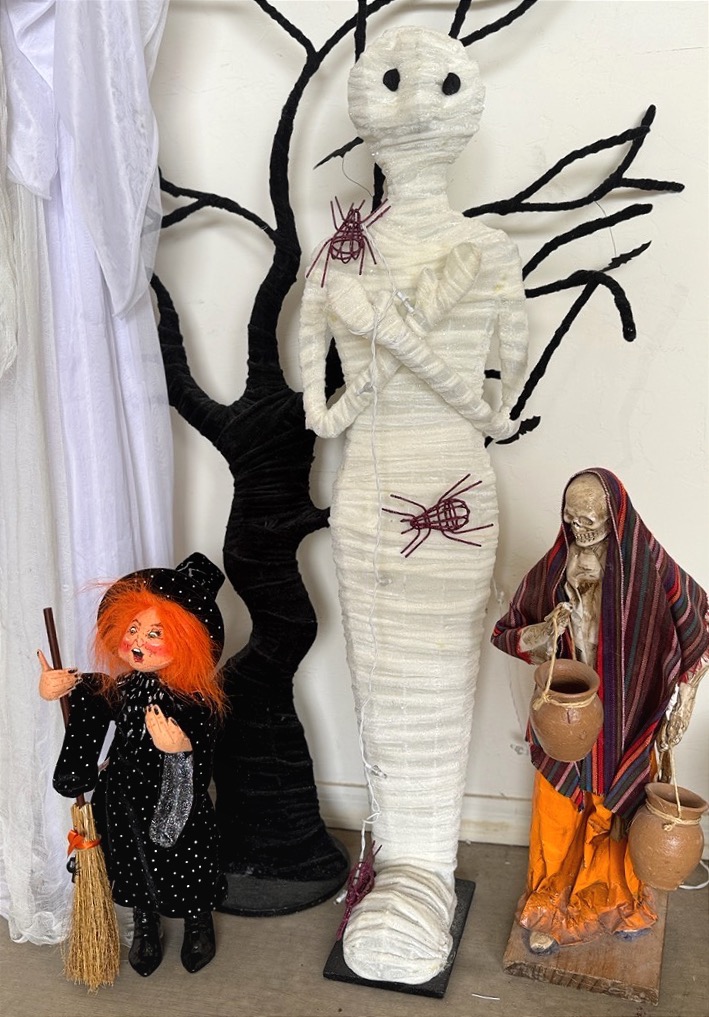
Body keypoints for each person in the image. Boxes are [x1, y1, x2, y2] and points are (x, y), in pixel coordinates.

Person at [298, 26, 528, 983]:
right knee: (386, 677)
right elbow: (502, 388)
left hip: (440, 495)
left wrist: (372, 367)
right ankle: (401, 863)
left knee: (435, 674)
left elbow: (317, 396)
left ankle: (422, 866)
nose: (418, 104)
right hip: (386, 491)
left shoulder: (461, 251)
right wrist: (379, 380)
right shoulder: (358, 255)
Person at [491, 468, 708, 953]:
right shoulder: (556, 565)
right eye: (570, 519)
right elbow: (509, 632)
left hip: (631, 709)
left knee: (619, 808)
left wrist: (686, 697)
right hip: (568, 706)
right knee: (557, 807)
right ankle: (551, 905)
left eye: (589, 520)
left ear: (616, 515)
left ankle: (617, 901)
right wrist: (545, 633)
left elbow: (700, 623)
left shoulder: (649, 563)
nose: (579, 529)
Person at [39, 553, 228, 976]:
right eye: (134, 629)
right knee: (133, 861)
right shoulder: (124, 686)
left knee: (186, 861)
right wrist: (61, 687)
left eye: (155, 633)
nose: (138, 642)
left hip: (175, 803)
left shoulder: (197, 702)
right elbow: (93, 696)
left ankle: (198, 921)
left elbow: (202, 764)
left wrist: (179, 751)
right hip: (124, 798)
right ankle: (146, 924)